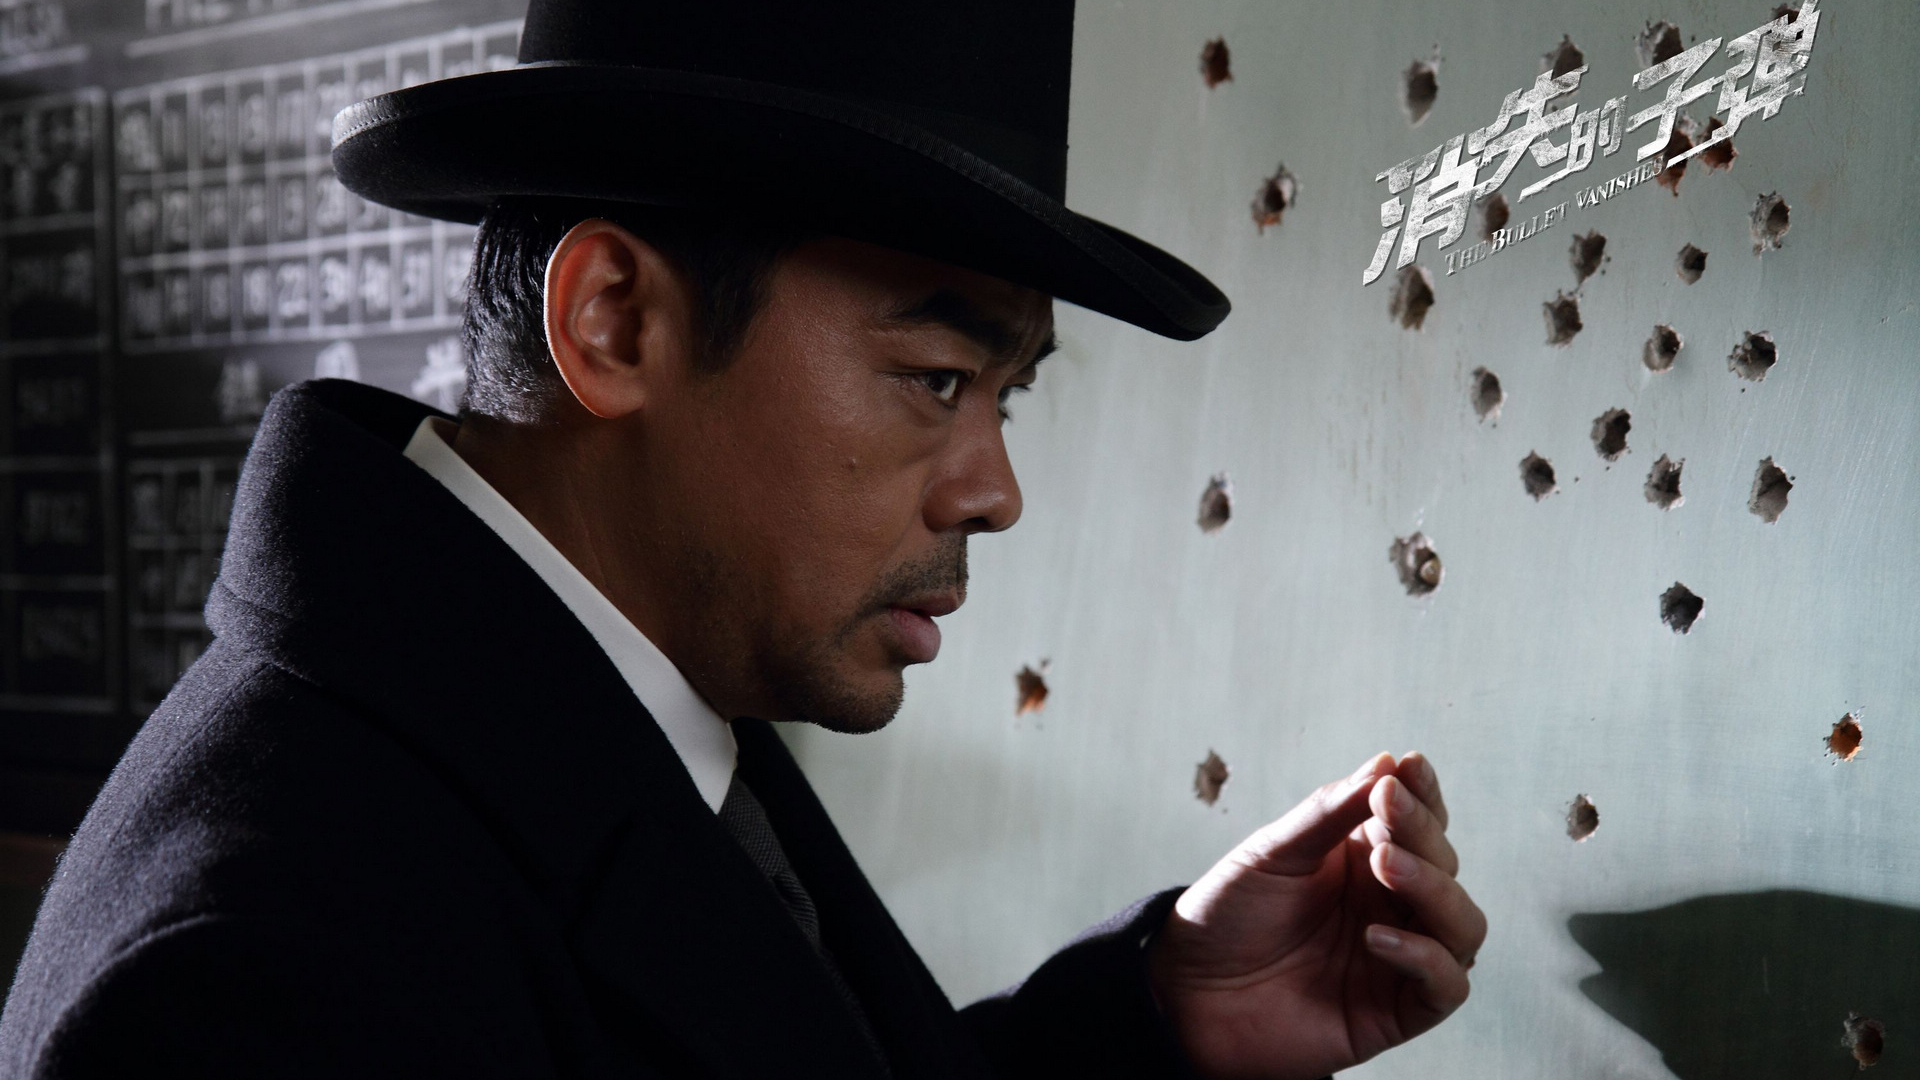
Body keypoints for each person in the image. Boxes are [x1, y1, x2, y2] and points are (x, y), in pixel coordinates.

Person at [0, 2, 1486, 1077]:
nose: (995, 491)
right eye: (936, 380)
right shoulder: (266, 971)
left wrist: (1154, 1019)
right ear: (614, 323)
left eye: (1009, 397)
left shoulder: (632, 693)